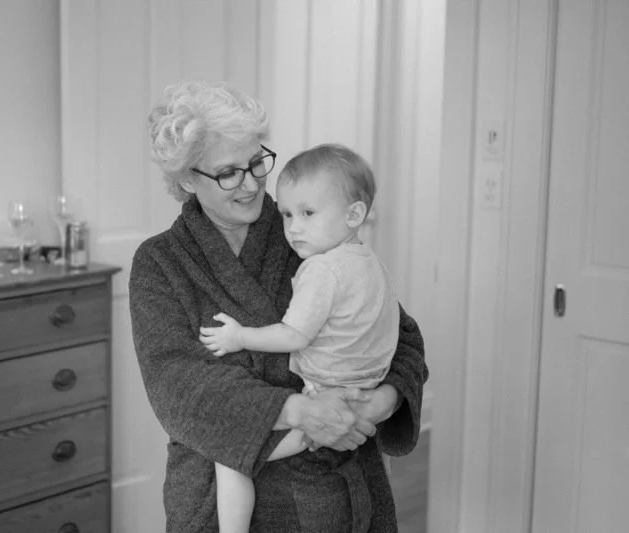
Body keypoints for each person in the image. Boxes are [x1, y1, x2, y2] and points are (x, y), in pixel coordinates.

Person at [130, 80, 428, 533]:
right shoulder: (161, 264)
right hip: (222, 502)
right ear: (188, 178)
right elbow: (178, 386)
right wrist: (300, 412)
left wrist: (377, 404)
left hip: (341, 486)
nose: (251, 184)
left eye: (256, 162)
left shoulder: (315, 233)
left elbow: (397, 335)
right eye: (229, 172)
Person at [198, 143, 399, 533]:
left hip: (329, 396)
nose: (293, 227)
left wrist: (239, 337)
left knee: (231, 455)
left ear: (354, 214)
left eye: (307, 214)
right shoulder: (370, 262)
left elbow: (293, 335)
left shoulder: (322, 269)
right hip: (360, 391)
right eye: (288, 214)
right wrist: (378, 394)